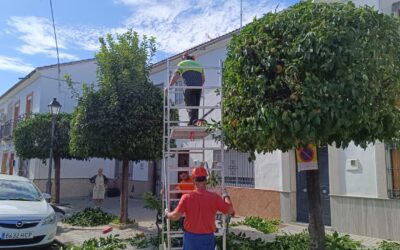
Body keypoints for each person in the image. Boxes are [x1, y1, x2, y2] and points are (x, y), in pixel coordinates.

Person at [165, 166, 234, 250]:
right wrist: (226, 196)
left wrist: (167, 214)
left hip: (190, 238)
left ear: (194, 181)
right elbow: (230, 210)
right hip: (207, 237)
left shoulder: (186, 197)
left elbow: (175, 216)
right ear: (206, 180)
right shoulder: (215, 197)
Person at [169, 52, 205, 125]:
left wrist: (170, 86)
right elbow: (203, 79)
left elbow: (176, 75)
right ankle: (195, 121)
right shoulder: (199, 65)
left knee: (190, 105)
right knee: (195, 106)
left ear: (184, 58)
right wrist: (198, 86)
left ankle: (193, 121)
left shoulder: (183, 63)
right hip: (198, 87)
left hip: (189, 86)